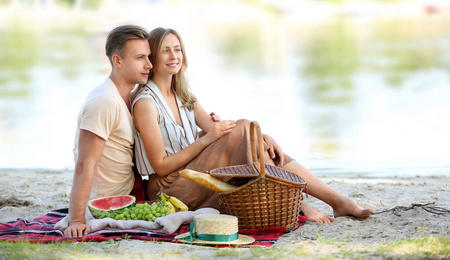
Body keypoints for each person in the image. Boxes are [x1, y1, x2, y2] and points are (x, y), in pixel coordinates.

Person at [132, 27, 375, 225]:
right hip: (171, 188)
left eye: (177, 49)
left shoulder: (184, 95)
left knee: (250, 134)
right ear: (153, 58)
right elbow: (161, 167)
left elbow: (225, 132)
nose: (174, 56)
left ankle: (335, 201)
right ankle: (300, 203)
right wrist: (207, 140)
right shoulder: (146, 104)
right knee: (244, 129)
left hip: (194, 172)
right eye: (166, 51)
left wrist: (261, 136)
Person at [64, 25, 152, 238]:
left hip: (133, 190)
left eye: (148, 57)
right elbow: (84, 164)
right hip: (109, 203)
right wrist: (76, 220)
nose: (149, 64)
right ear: (117, 61)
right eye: (140, 57)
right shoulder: (105, 101)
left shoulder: (130, 97)